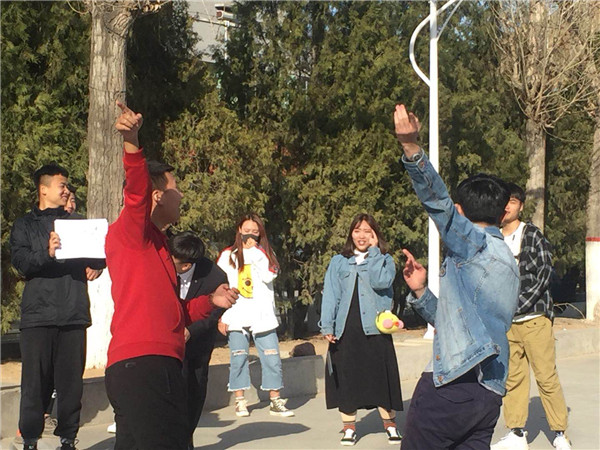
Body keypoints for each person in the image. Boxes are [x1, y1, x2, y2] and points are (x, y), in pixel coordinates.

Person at [105, 101, 238, 450]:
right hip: (146, 365)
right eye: (176, 189)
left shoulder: (159, 246)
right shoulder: (132, 232)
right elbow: (136, 193)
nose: (181, 196)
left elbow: (173, 313)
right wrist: (132, 142)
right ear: (159, 195)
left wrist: (209, 302)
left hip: (146, 364)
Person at [394, 104, 520, 449]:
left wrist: (410, 146)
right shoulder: (508, 261)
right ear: (501, 213)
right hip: (489, 391)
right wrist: (421, 292)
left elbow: (438, 203)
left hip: (452, 384)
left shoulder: (472, 244)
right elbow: (463, 323)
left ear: (462, 211)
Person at [10, 163, 105, 450]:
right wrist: (48, 252)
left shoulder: (78, 223)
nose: (66, 191)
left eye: (67, 186)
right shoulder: (24, 225)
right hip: (38, 316)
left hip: (73, 313)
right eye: (61, 185)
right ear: (44, 189)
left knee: (71, 385)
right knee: (34, 384)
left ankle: (68, 439)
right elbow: (21, 263)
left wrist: (99, 263)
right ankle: (29, 439)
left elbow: (99, 256)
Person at [491, 183, 571, 450]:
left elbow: (544, 274)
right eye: (503, 202)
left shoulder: (532, 234)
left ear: (521, 206)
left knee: (546, 376)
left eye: (512, 202)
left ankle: (560, 433)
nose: (507, 207)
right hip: (507, 322)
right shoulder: (493, 237)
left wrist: (519, 305)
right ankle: (516, 432)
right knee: (513, 378)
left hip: (535, 318)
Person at [319, 213, 403, 446]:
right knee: (348, 378)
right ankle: (349, 428)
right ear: (351, 234)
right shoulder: (338, 261)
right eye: (357, 231)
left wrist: (374, 253)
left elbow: (381, 282)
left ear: (375, 234)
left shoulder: (385, 259)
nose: (362, 236)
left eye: (367, 231)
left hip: (375, 329)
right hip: (346, 329)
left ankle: (390, 425)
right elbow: (331, 294)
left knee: (380, 377)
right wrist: (327, 324)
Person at [216, 213, 294, 418]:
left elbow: (270, 275)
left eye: (254, 232)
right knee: (238, 357)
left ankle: (275, 400)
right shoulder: (228, 255)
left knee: (272, 357)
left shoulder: (265, 253)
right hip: (236, 313)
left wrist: (256, 253)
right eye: (246, 230)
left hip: (262, 314)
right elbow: (220, 286)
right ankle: (240, 400)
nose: (250, 235)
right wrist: (222, 316)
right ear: (239, 230)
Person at [167, 231, 229, 449]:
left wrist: (191, 331)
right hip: (168, 343)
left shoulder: (215, 277)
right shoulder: (161, 268)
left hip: (198, 343)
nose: (167, 262)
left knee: (194, 389)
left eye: (173, 261)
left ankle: (186, 439)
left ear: (186, 266)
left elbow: (214, 314)